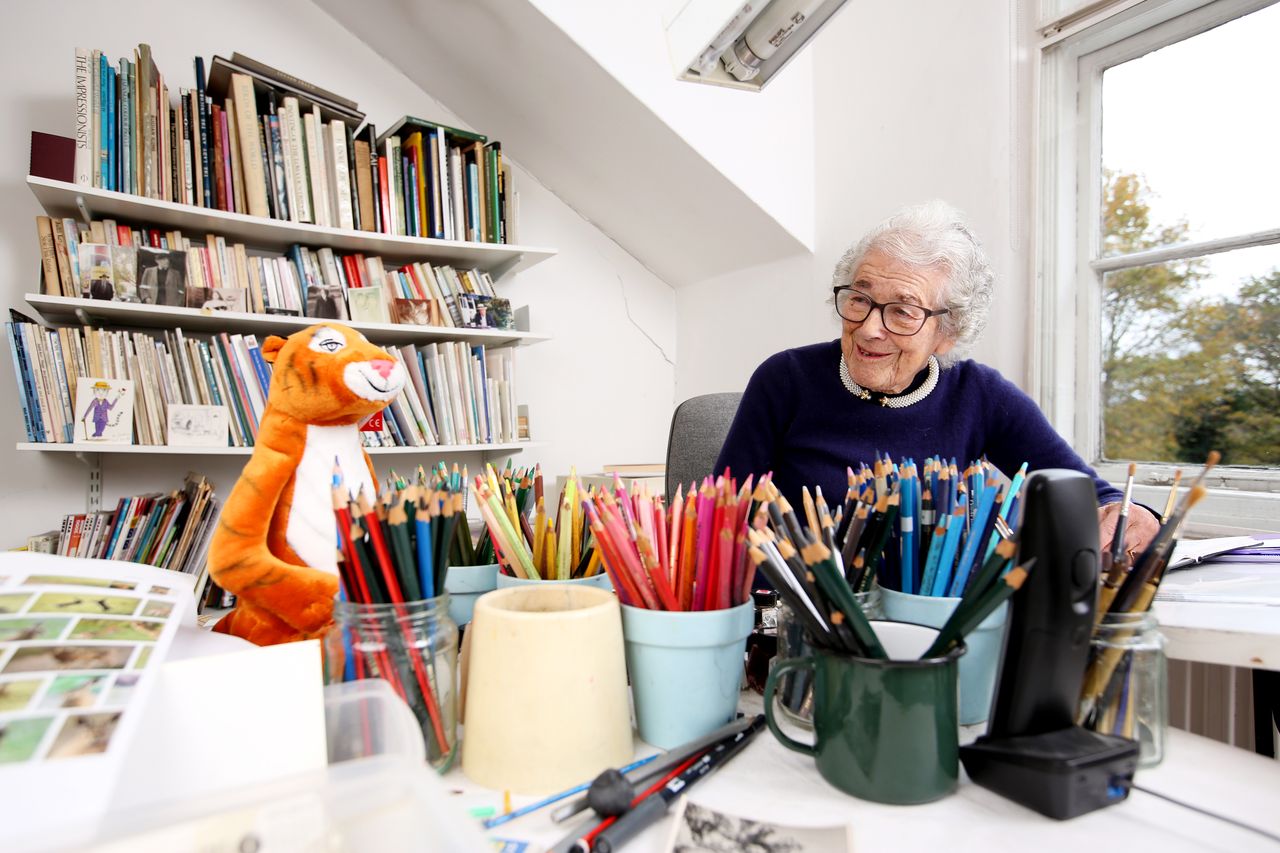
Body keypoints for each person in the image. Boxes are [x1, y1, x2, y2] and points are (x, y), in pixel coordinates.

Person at [714, 200, 1160, 561]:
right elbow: (725, 520)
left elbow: (1087, 493)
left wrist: (1135, 514)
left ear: (948, 332)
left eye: (902, 311)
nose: (870, 327)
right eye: (860, 299)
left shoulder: (979, 395)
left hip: (930, 626)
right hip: (806, 620)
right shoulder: (786, 379)